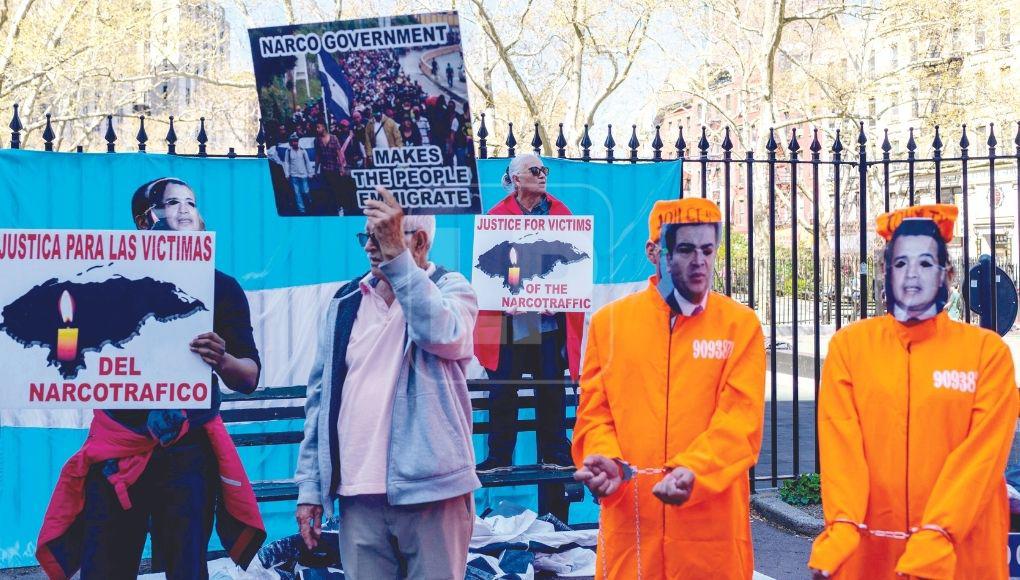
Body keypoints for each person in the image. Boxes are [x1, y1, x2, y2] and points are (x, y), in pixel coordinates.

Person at [36, 177, 266, 579]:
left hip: (187, 452)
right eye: (171, 203)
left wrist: (221, 358)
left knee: (185, 568)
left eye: (192, 203)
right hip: (115, 448)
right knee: (105, 567)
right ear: (145, 222)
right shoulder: (106, 283)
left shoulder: (223, 288)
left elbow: (248, 377)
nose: (184, 211)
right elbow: (67, 349)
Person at [808, 204, 1019, 579]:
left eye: (925, 263)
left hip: (961, 559)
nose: (912, 276)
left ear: (946, 274)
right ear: (887, 272)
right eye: (901, 264)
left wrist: (936, 537)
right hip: (870, 555)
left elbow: (980, 459)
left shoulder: (988, 354)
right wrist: (841, 528)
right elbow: (841, 448)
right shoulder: (850, 348)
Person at [571, 197, 766, 579]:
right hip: (633, 527)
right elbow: (594, 415)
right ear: (654, 251)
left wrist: (693, 471)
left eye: (708, 250)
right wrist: (605, 459)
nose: (700, 262)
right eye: (686, 249)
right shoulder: (610, 325)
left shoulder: (739, 327)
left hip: (709, 531)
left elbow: (741, 422)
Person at [294, 187, 479, 579]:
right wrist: (311, 488)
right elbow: (320, 401)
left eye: (382, 235)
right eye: (368, 236)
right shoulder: (344, 302)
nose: (370, 247)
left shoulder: (452, 289)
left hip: (433, 495)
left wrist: (397, 260)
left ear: (420, 241)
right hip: (357, 498)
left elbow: (441, 332)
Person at [474, 154, 581, 475]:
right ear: (517, 179)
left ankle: (555, 452)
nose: (542, 175)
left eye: (544, 170)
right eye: (535, 171)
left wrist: (558, 299)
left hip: (548, 320)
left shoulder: (562, 213)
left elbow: (572, 264)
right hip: (511, 320)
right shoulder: (496, 216)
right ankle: (499, 457)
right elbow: (489, 266)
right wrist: (504, 297)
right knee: (503, 388)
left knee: (550, 387)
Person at [313, 121, 355, 215]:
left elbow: (339, 154)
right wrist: (316, 170)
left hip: (335, 169)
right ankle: (332, 209)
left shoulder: (333, 138)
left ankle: (341, 208)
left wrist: (341, 168)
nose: (317, 129)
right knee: (328, 191)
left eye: (318, 127)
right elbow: (317, 156)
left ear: (323, 127)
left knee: (338, 189)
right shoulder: (317, 140)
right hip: (325, 169)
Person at [283, 133, 314, 214]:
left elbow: (307, 162)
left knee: (306, 191)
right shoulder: (288, 151)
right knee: (297, 193)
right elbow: (286, 163)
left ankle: (309, 203)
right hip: (294, 176)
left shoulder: (303, 150)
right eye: (293, 141)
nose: (295, 143)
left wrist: (310, 173)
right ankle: (302, 210)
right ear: (291, 142)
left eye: (296, 141)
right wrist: (287, 174)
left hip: (303, 175)